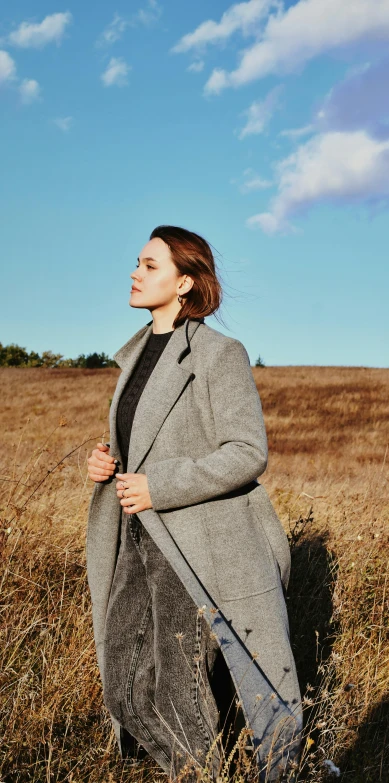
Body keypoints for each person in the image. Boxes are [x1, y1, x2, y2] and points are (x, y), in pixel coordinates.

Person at [86, 225, 302, 781]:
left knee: (175, 691)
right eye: (137, 261)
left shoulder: (219, 354)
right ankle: (199, 770)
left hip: (195, 543)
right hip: (138, 538)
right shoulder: (134, 357)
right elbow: (151, 440)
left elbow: (248, 451)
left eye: (150, 265)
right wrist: (107, 463)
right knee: (124, 689)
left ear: (185, 283)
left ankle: (207, 774)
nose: (135, 272)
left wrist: (161, 484)